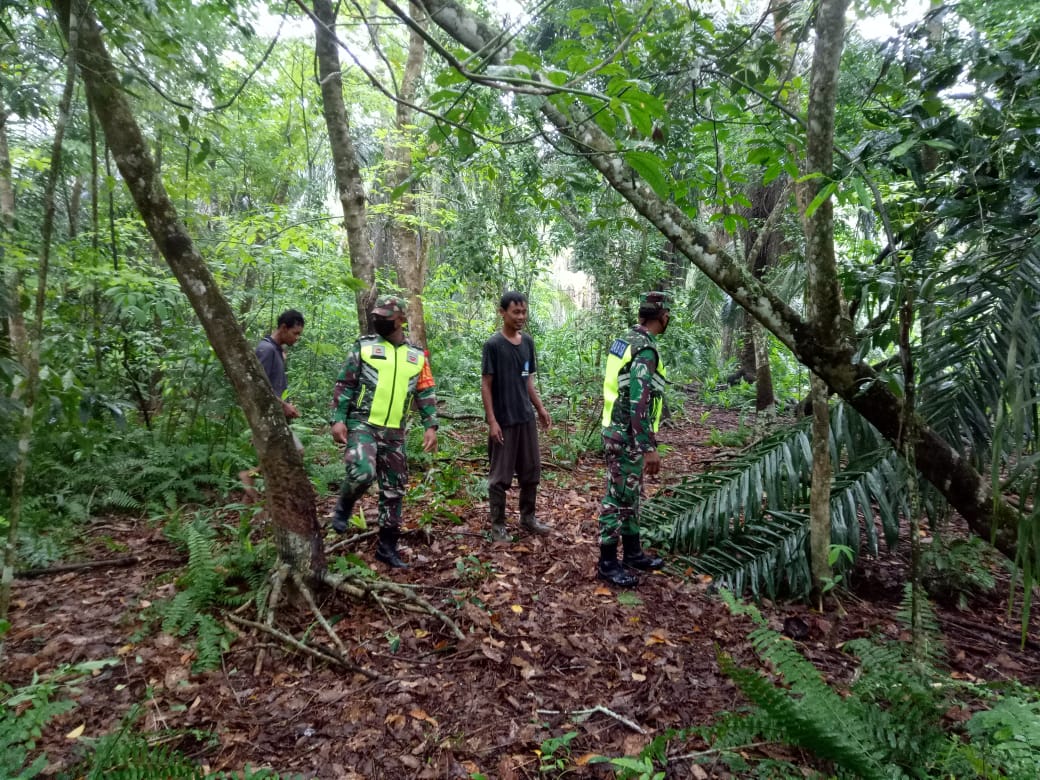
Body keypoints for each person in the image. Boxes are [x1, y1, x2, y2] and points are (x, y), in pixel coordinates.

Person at [328, 294, 438, 569]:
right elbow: (345, 383)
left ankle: (387, 548)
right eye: (376, 317)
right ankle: (344, 505)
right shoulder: (364, 347)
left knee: (394, 489)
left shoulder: (417, 356)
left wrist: (430, 425)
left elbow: (425, 391)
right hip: (363, 423)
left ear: (400, 320)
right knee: (362, 472)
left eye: (385, 318)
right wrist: (338, 419)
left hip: (395, 431)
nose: (378, 321)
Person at [596, 291, 670, 587]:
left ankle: (633, 552)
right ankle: (607, 562)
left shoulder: (624, 340)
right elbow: (639, 400)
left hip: (615, 428)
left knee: (630, 494)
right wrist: (648, 446)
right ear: (663, 317)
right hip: (627, 435)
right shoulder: (645, 349)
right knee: (617, 498)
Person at [481, 291, 552, 542]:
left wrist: (540, 408)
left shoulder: (527, 343)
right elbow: (486, 384)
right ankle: (498, 526)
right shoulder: (493, 345)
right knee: (500, 476)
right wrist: (492, 421)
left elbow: (528, 380)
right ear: (502, 312)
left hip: (525, 417)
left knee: (531, 470)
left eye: (524, 312)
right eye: (516, 312)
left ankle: (528, 517)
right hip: (504, 420)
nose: (521, 317)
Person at [240, 309, 305, 502]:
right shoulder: (266, 350)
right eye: (295, 333)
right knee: (295, 452)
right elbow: (258, 387)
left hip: (275, 414)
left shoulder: (276, 350)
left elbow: (273, 383)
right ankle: (250, 477)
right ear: (283, 328)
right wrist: (283, 405)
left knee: (275, 458)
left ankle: (250, 507)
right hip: (266, 415)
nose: (297, 338)